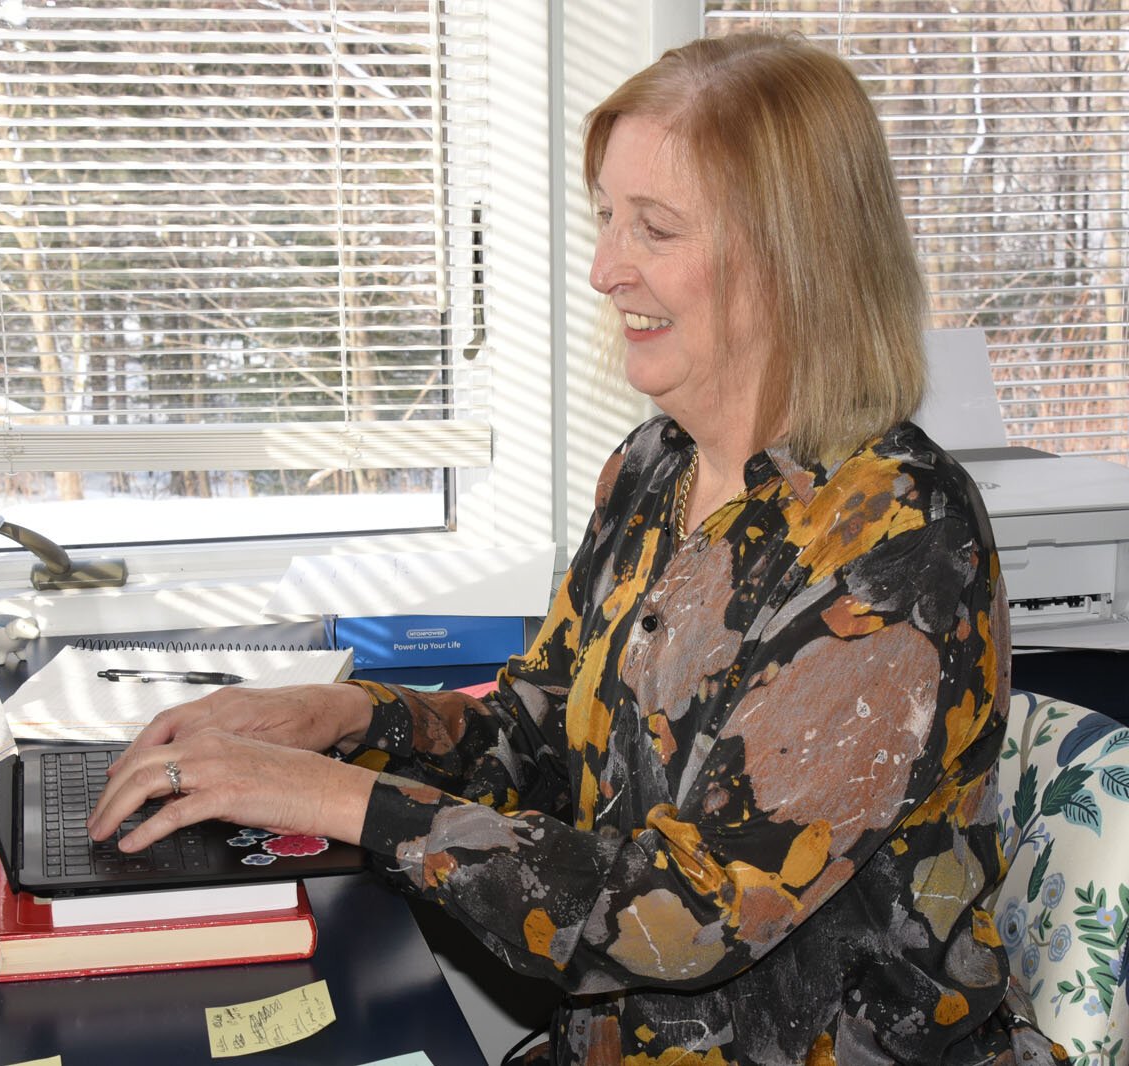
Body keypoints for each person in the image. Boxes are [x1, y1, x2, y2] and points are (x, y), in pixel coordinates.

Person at [89, 33, 1065, 1065]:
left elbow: (688, 913)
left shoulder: (898, 541)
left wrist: (330, 798)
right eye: (606, 216)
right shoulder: (650, 470)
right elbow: (539, 739)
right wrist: (338, 719)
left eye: (656, 228)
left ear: (793, 257)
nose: (605, 269)